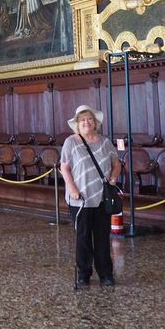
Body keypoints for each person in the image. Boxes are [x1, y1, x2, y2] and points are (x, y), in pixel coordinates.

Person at [60, 104, 121, 288]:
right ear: (77, 124)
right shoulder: (71, 142)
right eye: (82, 120)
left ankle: (106, 274)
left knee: (102, 237)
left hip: (102, 197)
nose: (86, 122)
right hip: (80, 199)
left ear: (95, 122)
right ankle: (84, 274)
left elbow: (116, 162)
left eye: (89, 119)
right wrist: (72, 189)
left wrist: (113, 178)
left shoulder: (105, 141)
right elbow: (64, 167)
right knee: (83, 237)